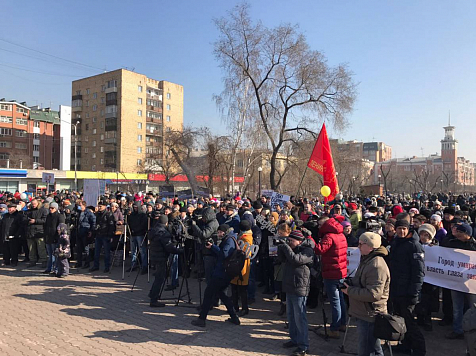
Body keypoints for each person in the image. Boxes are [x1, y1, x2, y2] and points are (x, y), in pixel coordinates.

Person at [343, 232, 390, 356]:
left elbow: (374, 294)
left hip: (370, 314)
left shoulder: (376, 265)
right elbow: (363, 280)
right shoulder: (368, 259)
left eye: (360, 244)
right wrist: (350, 283)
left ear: (370, 246)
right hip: (364, 311)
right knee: (374, 348)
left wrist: (350, 291)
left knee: (366, 350)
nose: (358, 246)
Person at [388, 219, 426, 356]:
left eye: (404, 229)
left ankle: (419, 350)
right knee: (401, 321)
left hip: (408, 291)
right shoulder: (396, 242)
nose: (401, 231)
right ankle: (405, 345)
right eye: (399, 229)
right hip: (397, 288)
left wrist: (414, 292)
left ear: (408, 229)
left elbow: (419, 272)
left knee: (410, 323)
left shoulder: (414, 245)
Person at [191, 224, 241, 327]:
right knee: (222, 295)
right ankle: (234, 317)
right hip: (225, 273)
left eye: (219, 232)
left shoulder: (229, 240)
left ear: (224, 231)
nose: (218, 234)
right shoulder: (231, 238)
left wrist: (213, 247)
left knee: (208, 294)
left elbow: (224, 254)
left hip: (221, 273)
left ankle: (202, 319)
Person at [278, 229, 314, 356]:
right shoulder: (291, 249)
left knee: (300, 318)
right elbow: (282, 259)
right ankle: (294, 340)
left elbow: (296, 260)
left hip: (300, 287)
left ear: (299, 241)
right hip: (289, 286)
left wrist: (286, 247)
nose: (289, 242)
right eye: (289, 240)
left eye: (291, 241)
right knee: (291, 317)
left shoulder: (307, 251)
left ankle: (303, 345)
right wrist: (280, 247)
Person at [313, 217, 348, 339]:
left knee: (335, 301)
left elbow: (319, 250)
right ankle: (342, 323)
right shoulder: (341, 234)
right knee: (341, 299)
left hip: (331, 272)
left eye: (319, 225)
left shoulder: (329, 236)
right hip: (341, 271)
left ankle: (334, 328)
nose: (318, 227)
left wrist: (311, 240)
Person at [445, 223, 476, 339]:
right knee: (457, 308)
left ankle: (472, 332)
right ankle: (457, 330)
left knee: (473, 308)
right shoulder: (453, 243)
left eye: (460, 233)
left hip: (472, 283)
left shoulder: (474, 246)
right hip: (457, 281)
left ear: (467, 234)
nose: (457, 234)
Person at [148, 215, 183, 307]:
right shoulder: (164, 233)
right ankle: (154, 299)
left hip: (154, 256)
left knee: (157, 277)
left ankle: (152, 294)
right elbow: (169, 247)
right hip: (161, 257)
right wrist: (179, 251)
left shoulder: (153, 230)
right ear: (166, 223)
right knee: (160, 278)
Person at [230, 220, 253, 316]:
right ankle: (235, 307)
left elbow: (246, 253)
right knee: (235, 287)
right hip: (238, 264)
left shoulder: (246, 238)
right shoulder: (245, 236)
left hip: (241, 265)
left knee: (241, 288)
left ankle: (244, 308)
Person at [89, 201, 116, 273]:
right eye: (99, 206)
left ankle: (107, 266)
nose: (99, 207)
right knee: (96, 252)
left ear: (105, 206)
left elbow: (111, 225)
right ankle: (95, 266)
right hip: (98, 235)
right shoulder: (97, 214)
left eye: (101, 206)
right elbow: (96, 223)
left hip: (106, 235)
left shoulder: (108, 214)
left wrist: (110, 235)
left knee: (106, 252)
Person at [25, 199, 48, 268]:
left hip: (39, 232)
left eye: (35, 204)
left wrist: (35, 221)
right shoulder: (28, 211)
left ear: (38, 203)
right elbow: (24, 219)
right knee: (31, 248)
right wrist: (28, 221)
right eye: (32, 204)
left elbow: (45, 220)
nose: (33, 205)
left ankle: (44, 261)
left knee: (41, 248)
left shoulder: (43, 210)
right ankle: (32, 261)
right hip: (30, 232)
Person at [43, 202, 65, 274]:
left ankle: (55, 269)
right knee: (49, 255)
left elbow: (61, 227)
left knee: (55, 255)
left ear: (56, 208)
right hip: (48, 238)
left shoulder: (59, 216)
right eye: (50, 208)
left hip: (55, 238)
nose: (50, 209)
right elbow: (46, 226)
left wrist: (58, 237)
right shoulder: (48, 216)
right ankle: (49, 268)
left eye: (52, 208)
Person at [128, 201, 149, 274]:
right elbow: (129, 223)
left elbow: (143, 225)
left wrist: (136, 230)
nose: (135, 208)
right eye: (134, 207)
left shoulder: (143, 215)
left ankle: (144, 266)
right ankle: (133, 265)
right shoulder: (132, 215)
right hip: (133, 235)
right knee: (133, 251)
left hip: (140, 234)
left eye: (136, 207)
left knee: (142, 251)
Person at [75, 201, 96, 269]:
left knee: (86, 249)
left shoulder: (88, 213)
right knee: (79, 249)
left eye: (80, 205)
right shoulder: (78, 212)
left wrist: (91, 231)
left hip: (85, 232)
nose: (79, 207)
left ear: (84, 205)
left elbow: (93, 221)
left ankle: (87, 263)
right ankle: (79, 262)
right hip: (79, 232)